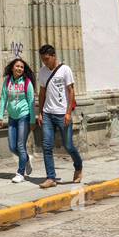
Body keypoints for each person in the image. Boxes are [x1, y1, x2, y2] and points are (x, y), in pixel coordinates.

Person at [35, 44, 82, 189]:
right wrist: (40, 112)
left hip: (62, 114)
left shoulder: (65, 70)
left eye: (47, 59)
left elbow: (71, 91)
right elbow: (42, 93)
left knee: (68, 145)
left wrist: (68, 113)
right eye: (42, 60)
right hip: (48, 113)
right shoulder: (42, 72)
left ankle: (78, 167)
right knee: (47, 146)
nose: (45, 62)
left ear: (53, 56)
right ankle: (51, 178)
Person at [0, 58, 36, 183]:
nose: (19, 69)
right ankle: (26, 158)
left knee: (20, 144)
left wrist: (32, 120)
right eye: (17, 66)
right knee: (12, 146)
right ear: (12, 68)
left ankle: (20, 173)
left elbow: (31, 102)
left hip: (24, 116)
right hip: (12, 117)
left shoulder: (27, 82)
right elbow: (3, 98)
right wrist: (0, 116)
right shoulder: (7, 81)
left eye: (22, 67)